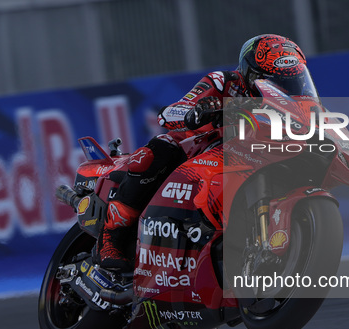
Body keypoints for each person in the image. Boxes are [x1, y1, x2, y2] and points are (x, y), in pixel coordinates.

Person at [95, 34, 317, 270]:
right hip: (196, 149)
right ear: (251, 74)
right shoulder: (223, 81)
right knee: (157, 152)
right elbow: (169, 113)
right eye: (273, 80)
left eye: (289, 80)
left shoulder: (296, 94)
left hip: (250, 155)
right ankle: (111, 239)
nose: (282, 86)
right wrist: (196, 112)